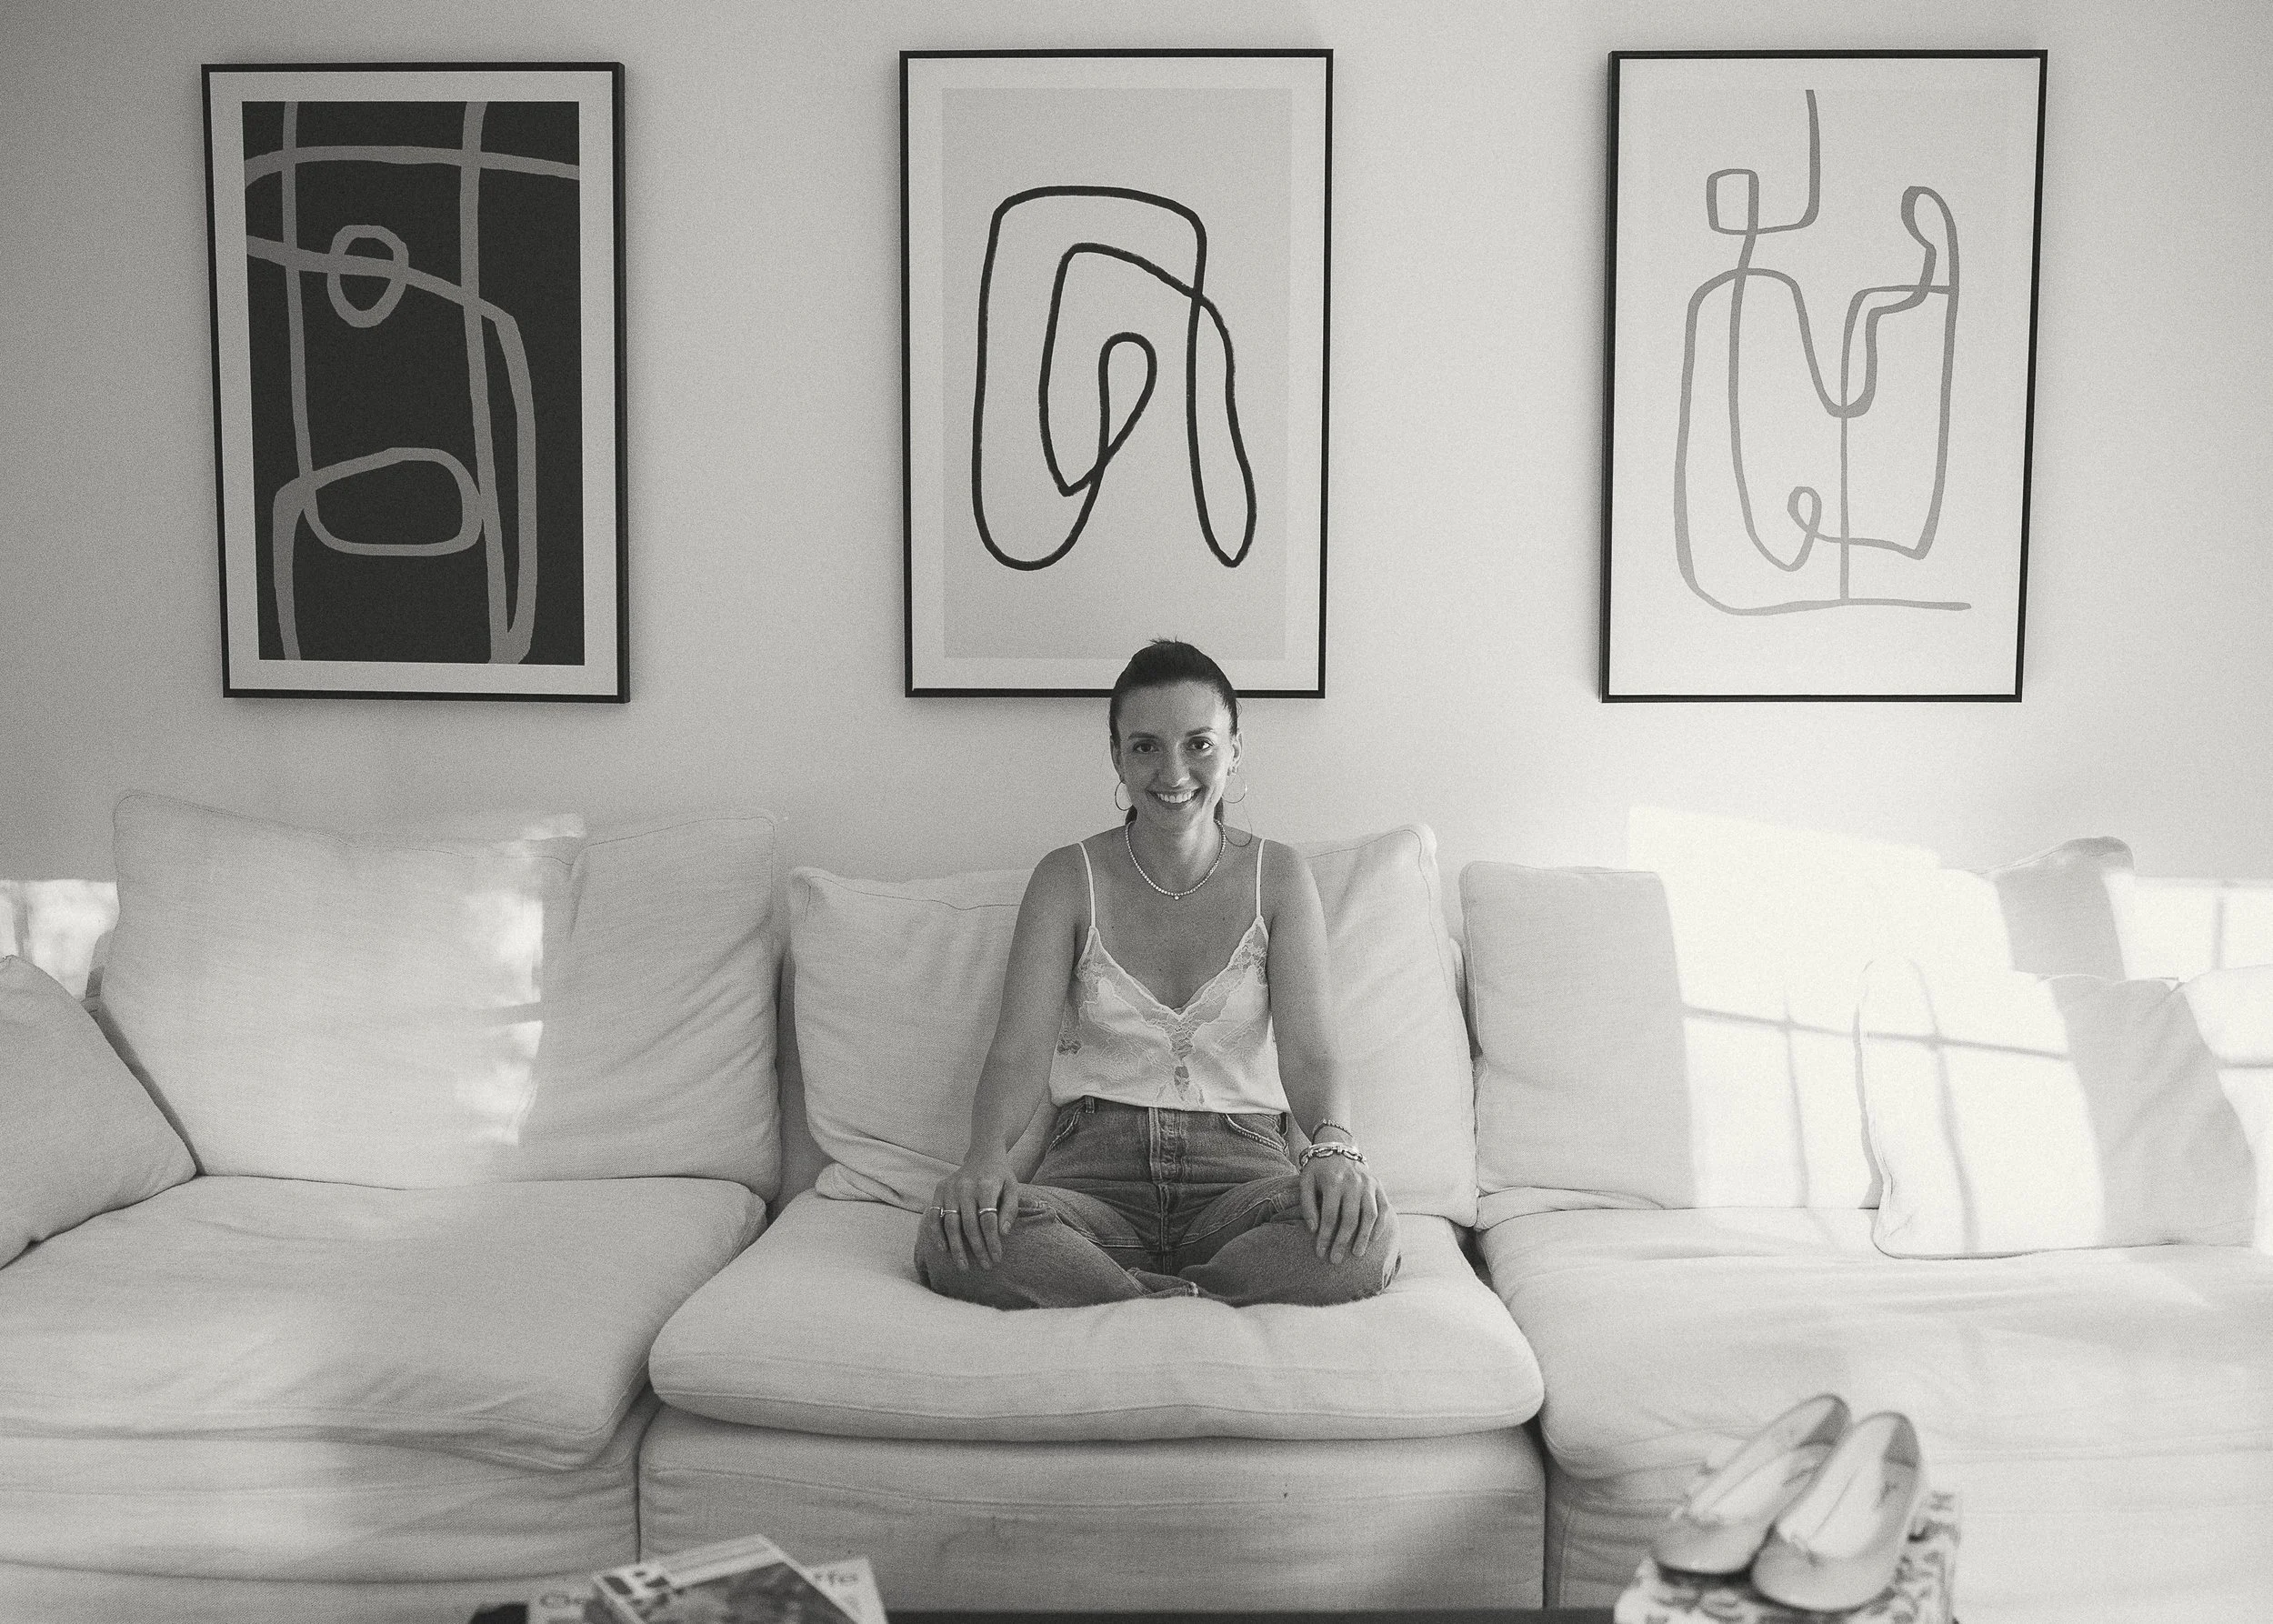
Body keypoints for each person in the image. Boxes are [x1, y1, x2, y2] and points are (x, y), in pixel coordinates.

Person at [915, 639, 1399, 1308]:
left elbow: (1312, 1053)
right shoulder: (1066, 878)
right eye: (1145, 746)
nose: (1173, 771)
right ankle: (1195, 1306)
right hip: (1091, 1180)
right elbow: (1019, 1051)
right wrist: (983, 1160)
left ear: (1234, 749)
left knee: (1366, 1238)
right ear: (1117, 755)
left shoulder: (1280, 877)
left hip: (1244, 1178)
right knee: (951, 1238)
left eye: (1199, 743)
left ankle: (1128, 1305)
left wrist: (1336, 1150)